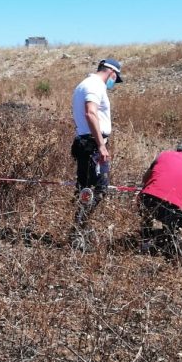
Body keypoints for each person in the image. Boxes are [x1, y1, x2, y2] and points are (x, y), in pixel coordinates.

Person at [70, 58, 123, 233]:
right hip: (92, 145)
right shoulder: (94, 85)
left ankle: (79, 227)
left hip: (88, 142)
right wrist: (101, 145)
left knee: (87, 188)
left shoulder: (85, 84)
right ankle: (79, 230)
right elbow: (90, 113)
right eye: (115, 78)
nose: (114, 82)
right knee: (97, 189)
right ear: (112, 72)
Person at [138, 142, 182, 265]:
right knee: (172, 228)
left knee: (150, 218)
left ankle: (148, 242)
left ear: (177, 149)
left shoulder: (163, 155)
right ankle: (175, 244)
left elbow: (145, 179)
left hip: (150, 197)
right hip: (179, 205)